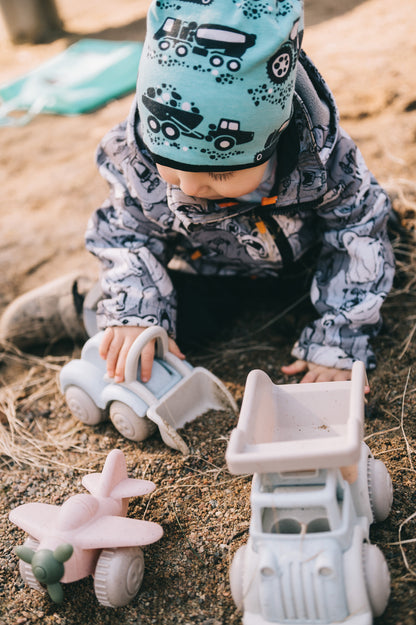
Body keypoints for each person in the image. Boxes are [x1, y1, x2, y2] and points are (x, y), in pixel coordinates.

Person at [0, 0, 395, 388]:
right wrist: (137, 311)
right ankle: (82, 305)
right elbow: (124, 234)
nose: (187, 188)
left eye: (217, 173)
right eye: (167, 163)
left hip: (306, 267)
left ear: (274, 140)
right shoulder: (138, 158)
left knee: (371, 254)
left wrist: (339, 342)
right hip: (209, 271)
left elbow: (358, 233)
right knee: (160, 331)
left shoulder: (325, 163)